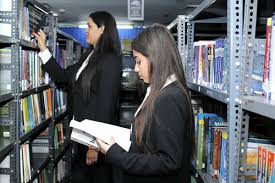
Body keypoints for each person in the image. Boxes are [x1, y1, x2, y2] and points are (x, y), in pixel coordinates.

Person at [97, 24, 195, 183]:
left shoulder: (170, 97)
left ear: (156, 58)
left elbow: (168, 161)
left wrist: (116, 154)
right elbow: (151, 142)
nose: (135, 69)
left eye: (138, 61)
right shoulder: (160, 91)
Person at [32, 11, 122, 183]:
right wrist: (43, 48)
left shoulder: (110, 59)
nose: (85, 31)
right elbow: (63, 77)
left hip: (96, 142)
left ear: (102, 29)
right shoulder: (88, 56)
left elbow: (106, 106)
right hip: (81, 136)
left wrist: (94, 145)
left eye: (89, 26)